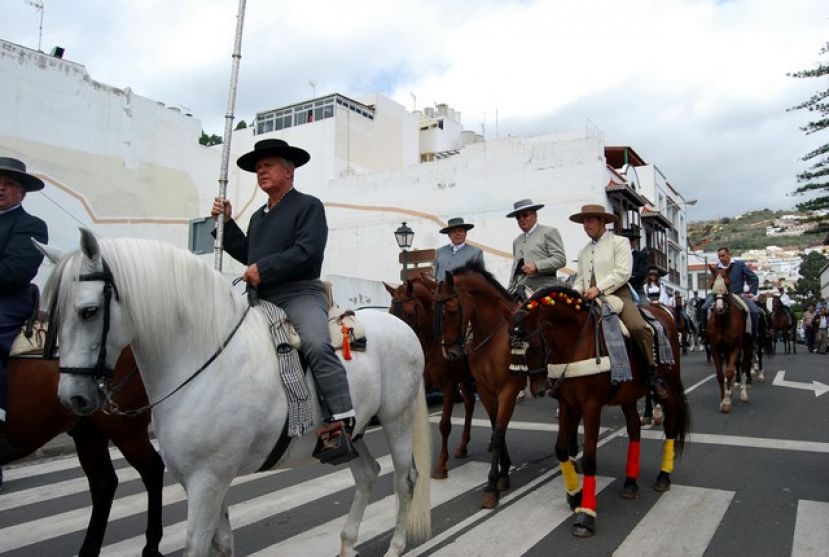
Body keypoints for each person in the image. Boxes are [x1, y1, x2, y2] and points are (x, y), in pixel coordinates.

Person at [210, 139, 356, 464]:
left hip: (300, 293)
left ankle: (340, 421)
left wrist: (265, 267)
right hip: (262, 297)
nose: (261, 171)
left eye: (268, 165)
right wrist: (227, 224)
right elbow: (249, 254)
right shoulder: (258, 218)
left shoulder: (309, 206)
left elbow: (308, 253)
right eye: (258, 168)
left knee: (317, 344)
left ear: (288, 172)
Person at [569, 203, 666, 399]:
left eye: (589, 220)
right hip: (589, 297)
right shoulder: (583, 251)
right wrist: (574, 294)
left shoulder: (619, 242)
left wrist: (599, 288)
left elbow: (623, 272)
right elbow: (580, 278)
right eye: (583, 221)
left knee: (639, 327)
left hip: (617, 294)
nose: (585, 225)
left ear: (602, 221)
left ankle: (652, 374)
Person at [0, 157, 49, 458]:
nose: (1, 189)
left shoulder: (30, 225)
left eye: (9, 184)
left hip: (9, 300)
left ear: (22, 193)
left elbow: (13, 272)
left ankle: (0, 423)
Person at [506, 198, 566, 298]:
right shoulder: (517, 241)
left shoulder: (548, 232)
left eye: (525, 215)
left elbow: (560, 259)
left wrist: (537, 266)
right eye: (518, 217)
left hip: (544, 289)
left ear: (535, 215)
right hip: (519, 290)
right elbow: (514, 270)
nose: (521, 219)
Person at [700, 247, 760, 340]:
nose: (721, 258)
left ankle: (754, 336)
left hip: (738, 295)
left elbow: (754, 278)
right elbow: (712, 284)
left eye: (723, 255)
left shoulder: (739, 265)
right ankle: (705, 334)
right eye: (719, 256)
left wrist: (751, 293)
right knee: (704, 308)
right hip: (720, 295)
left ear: (729, 254)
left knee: (754, 311)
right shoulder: (716, 268)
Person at [433, 217, 485, 281]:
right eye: (454, 231)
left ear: (465, 233)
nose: (458, 234)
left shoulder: (476, 252)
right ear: (449, 235)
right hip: (441, 290)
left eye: (460, 230)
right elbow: (434, 276)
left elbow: (480, 278)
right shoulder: (439, 251)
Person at [616, 227, 648, 305]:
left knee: (644, 308)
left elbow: (642, 274)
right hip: (618, 289)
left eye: (628, 240)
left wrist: (625, 276)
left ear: (633, 242)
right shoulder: (616, 256)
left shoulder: (641, 256)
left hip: (636, 289)